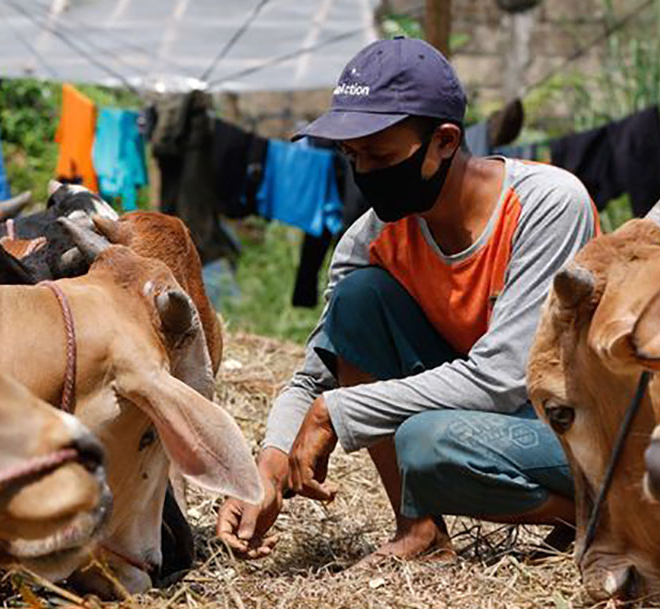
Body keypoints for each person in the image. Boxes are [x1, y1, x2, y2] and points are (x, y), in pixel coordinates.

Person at [215, 37, 597, 563]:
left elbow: (505, 376)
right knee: (358, 301)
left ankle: (605, 513)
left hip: (579, 429)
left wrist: (336, 414)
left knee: (428, 443)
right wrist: (268, 464)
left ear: (443, 142)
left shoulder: (546, 205)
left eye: (380, 155)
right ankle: (419, 532)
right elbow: (314, 375)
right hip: (488, 421)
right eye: (352, 156)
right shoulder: (370, 239)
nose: (365, 173)